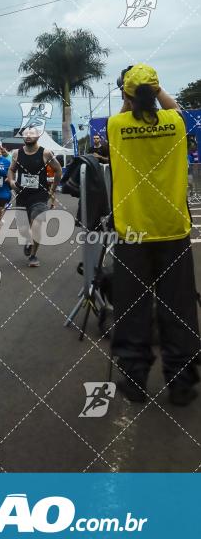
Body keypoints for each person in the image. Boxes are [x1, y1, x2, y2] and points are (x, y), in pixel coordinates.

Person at [107, 64, 201, 406]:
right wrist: (156, 89)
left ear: (126, 95)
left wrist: (128, 97)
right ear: (157, 89)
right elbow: (174, 108)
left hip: (132, 234)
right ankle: (182, 383)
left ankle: (134, 381)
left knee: (132, 309)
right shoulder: (174, 122)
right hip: (172, 230)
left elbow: (123, 114)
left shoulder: (118, 125)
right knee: (178, 308)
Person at [7, 127, 62, 267]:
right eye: (26, 134)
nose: (28, 136)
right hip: (22, 194)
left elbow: (58, 170)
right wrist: (12, 181)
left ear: (38, 136)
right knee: (23, 229)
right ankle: (28, 240)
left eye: (32, 134)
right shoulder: (16, 153)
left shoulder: (46, 153)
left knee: (36, 225)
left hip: (40, 195)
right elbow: (11, 170)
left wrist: (53, 189)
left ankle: (33, 255)